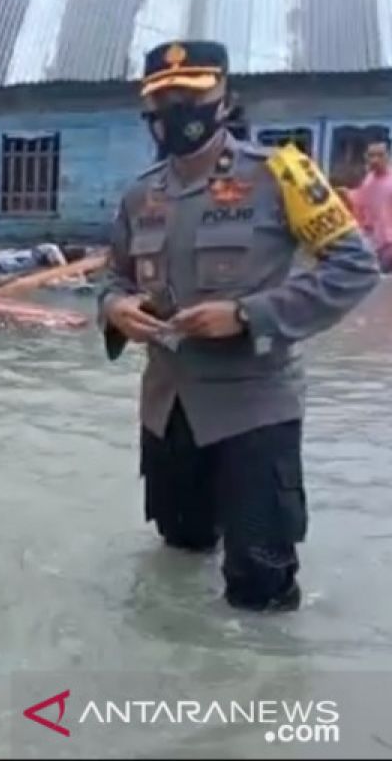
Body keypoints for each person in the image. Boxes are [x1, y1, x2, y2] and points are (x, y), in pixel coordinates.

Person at [101, 40, 380, 613]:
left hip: (255, 412)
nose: (178, 107)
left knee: (261, 589)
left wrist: (248, 314)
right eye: (164, 97)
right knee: (178, 559)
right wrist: (112, 308)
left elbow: (356, 267)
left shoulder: (284, 176)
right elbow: (113, 277)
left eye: (193, 93)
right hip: (168, 411)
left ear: (224, 98)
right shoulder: (140, 195)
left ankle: (264, 702)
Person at [347, 139, 392, 272]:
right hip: (371, 244)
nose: (375, 160)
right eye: (371, 155)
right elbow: (359, 203)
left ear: (388, 156)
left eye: (380, 155)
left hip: (388, 243)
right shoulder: (368, 179)